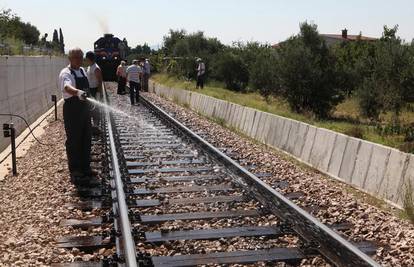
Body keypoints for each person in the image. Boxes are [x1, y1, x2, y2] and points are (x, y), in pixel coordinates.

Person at [58, 48, 94, 184]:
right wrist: (78, 92)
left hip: (84, 109)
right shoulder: (66, 73)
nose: (79, 59)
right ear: (70, 58)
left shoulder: (83, 71)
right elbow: (67, 87)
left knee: (86, 137)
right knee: (74, 139)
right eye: (76, 57)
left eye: (81, 57)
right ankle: (75, 170)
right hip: (72, 109)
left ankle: (85, 167)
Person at [85, 51, 103, 134]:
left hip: (95, 90)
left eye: (86, 58)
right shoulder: (90, 67)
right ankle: (92, 125)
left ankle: (96, 126)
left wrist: (98, 93)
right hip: (90, 90)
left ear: (89, 58)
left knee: (95, 108)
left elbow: (100, 81)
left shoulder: (96, 68)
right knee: (91, 108)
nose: (85, 60)